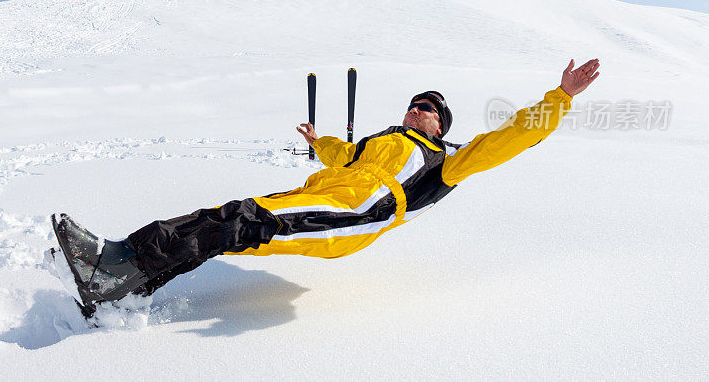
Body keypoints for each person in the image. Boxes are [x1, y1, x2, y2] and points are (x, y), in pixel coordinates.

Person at [52, 58, 600, 316]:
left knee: (240, 222)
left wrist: (560, 97)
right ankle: (125, 288)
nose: (419, 109)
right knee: (228, 221)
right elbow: (344, 155)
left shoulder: (444, 160)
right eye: (415, 102)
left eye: (430, 109)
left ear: (441, 126)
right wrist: (319, 142)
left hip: (357, 212)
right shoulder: (382, 141)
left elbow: (508, 139)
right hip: (327, 196)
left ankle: (116, 267)